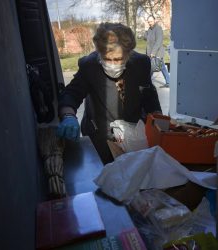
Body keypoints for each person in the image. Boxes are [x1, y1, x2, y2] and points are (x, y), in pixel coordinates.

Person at [56, 23, 162, 164]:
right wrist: (68, 116)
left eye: (118, 59)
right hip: (101, 135)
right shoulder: (89, 66)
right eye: (106, 59)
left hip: (134, 133)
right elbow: (72, 94)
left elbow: (149, 95)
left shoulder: (141, 63)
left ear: (128, 54)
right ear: (99, 52)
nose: (112, 64)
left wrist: (158, 120)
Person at [145, 16, 170, 88]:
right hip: (151, 53)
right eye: (148, 22)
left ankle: (147, 83)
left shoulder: (158, 28)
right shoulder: (149, 30)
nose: (150, 23)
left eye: (151, 21)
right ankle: (168, 82)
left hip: (157, 53)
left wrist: (153, 52)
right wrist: (145, 31)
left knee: (152, 68)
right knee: (161, 67)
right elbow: (146, 38)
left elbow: (158, 42)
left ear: (154, 20)